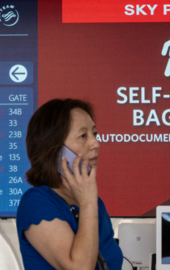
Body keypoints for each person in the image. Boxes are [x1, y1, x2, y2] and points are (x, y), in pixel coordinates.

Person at [16, 99, 123, 270]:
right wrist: (88, 203)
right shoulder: (36, 202)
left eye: (94, 134)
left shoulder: (95, 204)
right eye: (83, 136)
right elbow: (80, 267)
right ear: (56, 150)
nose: (95, 143)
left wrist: (89, 203)